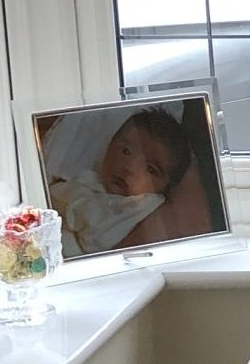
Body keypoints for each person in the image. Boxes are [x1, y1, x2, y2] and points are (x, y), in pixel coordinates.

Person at [46, 107, 193, 255]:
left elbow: (98, 239)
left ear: (166, 188)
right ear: (109, 146)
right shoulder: (92, 178)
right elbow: (53, 194)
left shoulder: (144, 206)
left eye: (150, 169)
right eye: (126, 151)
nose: (128, 168)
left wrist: (73, 201)